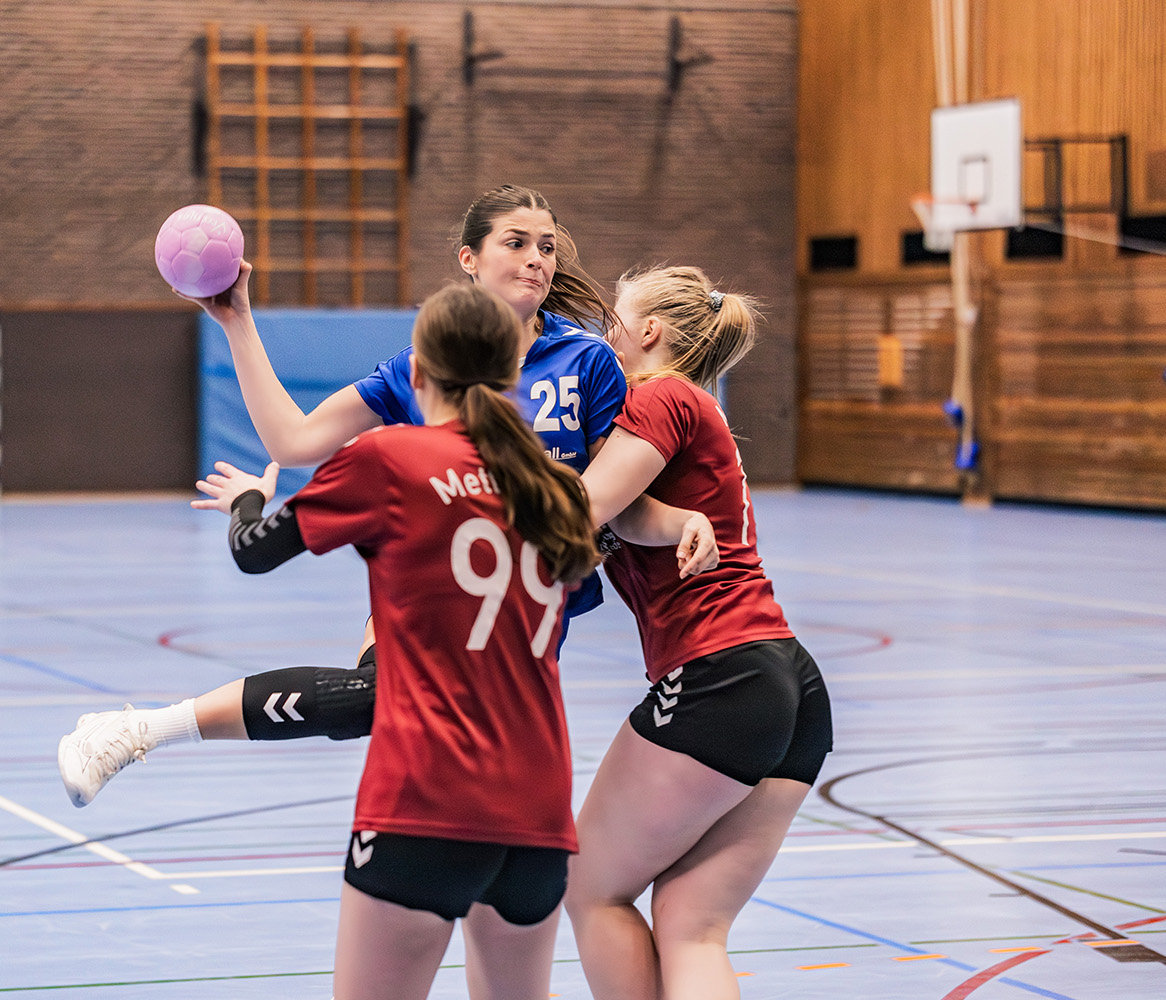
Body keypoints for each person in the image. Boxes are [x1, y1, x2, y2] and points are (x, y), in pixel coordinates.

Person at [57, 185, 713, 804]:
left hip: (532, 612)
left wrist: (682, 519)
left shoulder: (588, 361)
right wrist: (237, 323)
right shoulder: (422, 368)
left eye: (547, 246)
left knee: (486, 800)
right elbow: (296, 440)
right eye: (516, 242)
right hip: (435, 586)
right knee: (378, 701)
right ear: (470, 259)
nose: (537, 259)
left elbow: (612, 497)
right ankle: (140, 731)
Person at [190, 283, 601, 1000]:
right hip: (538, 809)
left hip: (428, 796)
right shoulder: (556, 488)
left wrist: (247, 500)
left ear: (417, 374)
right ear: (512, 374)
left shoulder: (391, 458)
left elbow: (256, 550)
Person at [565, 265, 833, 1000]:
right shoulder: (690, 405)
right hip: (786, 681)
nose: (602, 334)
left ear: (648, 332)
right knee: (690, 923)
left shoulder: (663, 395)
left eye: (614, 319)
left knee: (591, 889)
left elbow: (582, 510)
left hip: (721, 676)